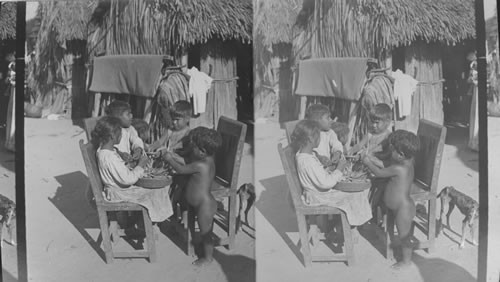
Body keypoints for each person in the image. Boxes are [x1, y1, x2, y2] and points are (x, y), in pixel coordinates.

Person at [292, 120, 372, 229]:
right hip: (318, 197)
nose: (320, 138)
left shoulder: (304, 155)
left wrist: (327, 167)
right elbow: (325, 183)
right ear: (311, 139)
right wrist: (339, 169)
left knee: (353, 193)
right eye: (319, 136)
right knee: (355, 195)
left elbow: (317, 176)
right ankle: (346, 227)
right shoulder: (307, 161)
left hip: (316, 194)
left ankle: (345, 225)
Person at [92, 116, 173, 224]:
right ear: (112, 136)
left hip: (118, 190)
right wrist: (140, 165)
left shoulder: (104, 151)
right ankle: (144, 223)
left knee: (155, 190)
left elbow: (116, 166)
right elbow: (127, 179)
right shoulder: (109, 158)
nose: (122, 135)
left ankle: (142, 221)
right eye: (120, 133)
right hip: (119, 193)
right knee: (155, 192)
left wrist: (121, 155)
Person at [162, 127, 222, 266]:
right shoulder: (204, 159)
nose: (190, 148)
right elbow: (188, 161)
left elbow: (182, 169)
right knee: (204, 231)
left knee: (206, 233)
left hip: (204, 205)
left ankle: (208, 258)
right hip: (199, 203)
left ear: (202, 151)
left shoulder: (202, 165)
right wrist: (176, 156)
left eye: (193, 147)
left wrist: (170, 159)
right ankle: (205, 250)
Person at [362, 130, 420, 270]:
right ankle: (404, 254)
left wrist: (367, 162)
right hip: (399, 206)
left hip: (403, 208)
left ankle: (406, 261)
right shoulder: (405, 162)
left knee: (404, 236)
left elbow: (379, 172)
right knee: (402, 234)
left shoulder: (400, 168)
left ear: (401, 155)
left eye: (392, 150)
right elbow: (387, 163)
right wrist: (374, 158)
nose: (389, 152)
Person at [105, 100, 144, 166]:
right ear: (117, 117)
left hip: (128, 164)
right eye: (128, 114)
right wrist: (120, 154)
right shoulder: (110, 131)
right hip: (116, 165)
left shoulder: (130, 129)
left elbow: (136, 140)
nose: (131, 116)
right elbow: (108, 148)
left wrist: (138, 149)